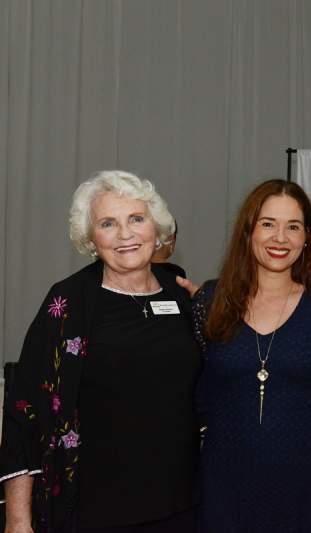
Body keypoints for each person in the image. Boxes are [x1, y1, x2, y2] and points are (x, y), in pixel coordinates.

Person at [1, 171, 201, 532]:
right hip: (95, 509)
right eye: (108, 223)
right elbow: (24, 407)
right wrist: (18, 521)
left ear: (156, 228)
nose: (125, 234)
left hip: (182, 505)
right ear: (90, 238)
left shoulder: (180, 293)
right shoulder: (68, 303)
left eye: (136, 219)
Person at [191, 179, 311, 533]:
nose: (280, 238)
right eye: (268, 224)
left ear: (308, 236)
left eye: (293, 227)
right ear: (248, 232)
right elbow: (194, 393)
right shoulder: (209, 302)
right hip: (226, 484)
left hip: (310, 486)